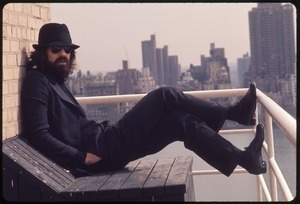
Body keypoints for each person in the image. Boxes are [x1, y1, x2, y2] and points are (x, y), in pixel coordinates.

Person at [21, 23, 266, 178]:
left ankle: (244, 158)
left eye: (67, 49)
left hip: (105, 144)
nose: (63, 54)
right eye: (56, 48)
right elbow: (38, 134)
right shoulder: (38, 81)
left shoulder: (55, 80)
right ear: (42, 53)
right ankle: (234, 113)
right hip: (100, 148)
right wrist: (79, 158)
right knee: (164, 96)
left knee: (180, 121)